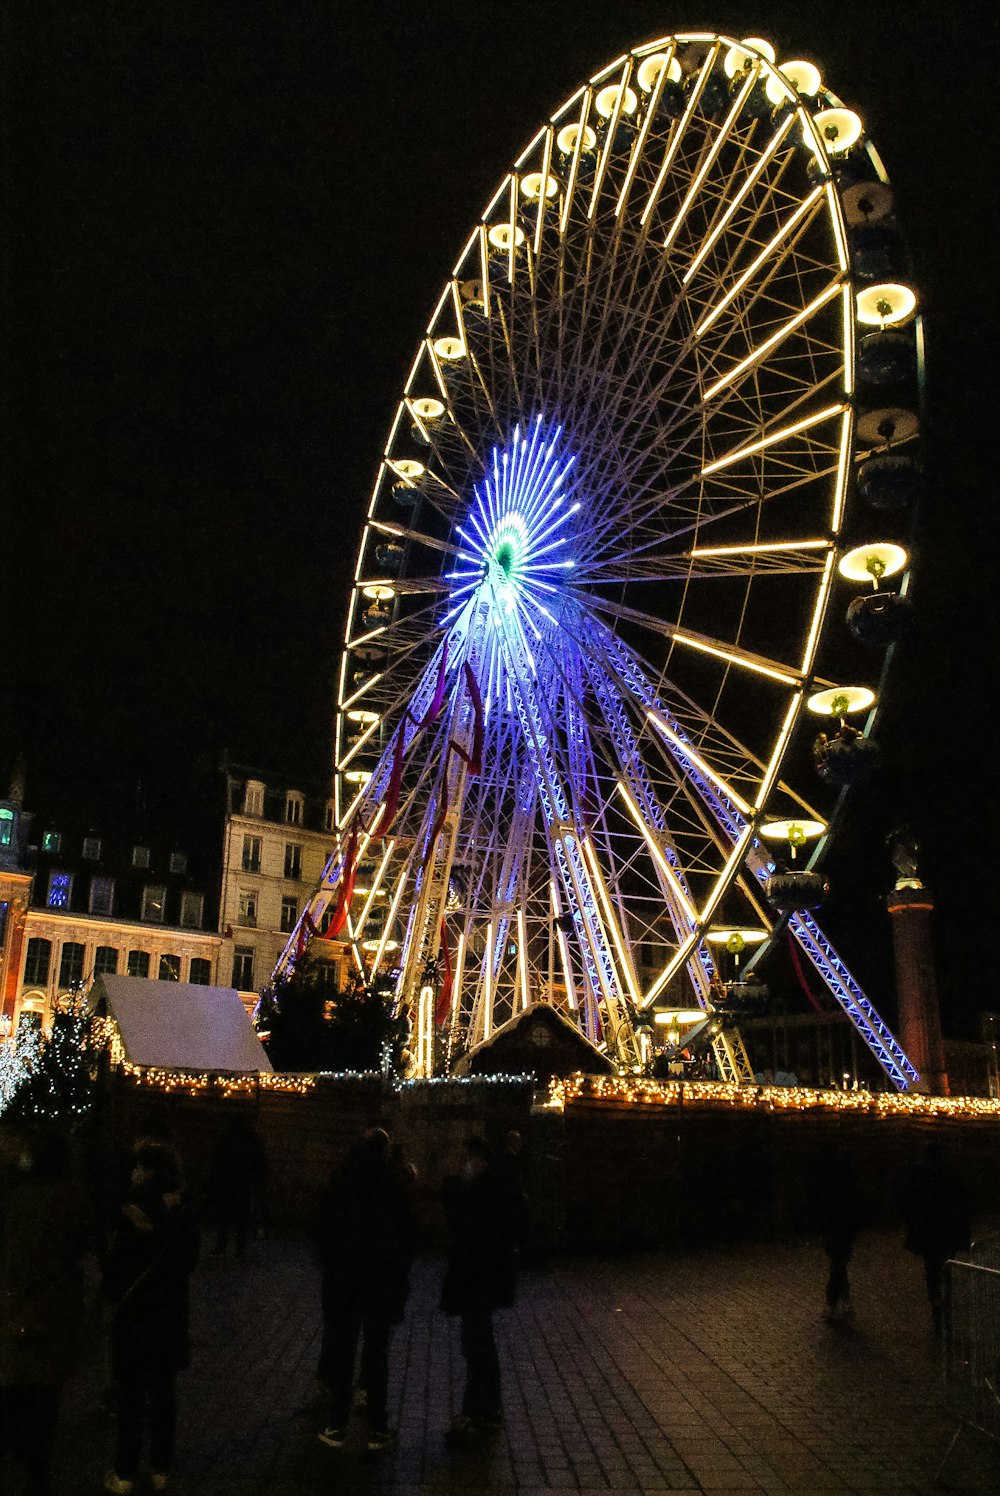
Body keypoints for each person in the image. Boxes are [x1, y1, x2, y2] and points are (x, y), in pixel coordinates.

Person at [0, 1130, 96, 1496]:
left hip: (17, 1301)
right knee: (47, 1390)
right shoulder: (74, 1199)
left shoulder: (19, 1197)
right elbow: (87, 1249)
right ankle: (37, 1469)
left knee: (17, 1380)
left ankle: (15, 1447)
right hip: (57, 1306)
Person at [102, 1141, 200, 1494]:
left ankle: (125, 1471)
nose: (132, 1173)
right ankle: (161, 1468)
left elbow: (115, 1272)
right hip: (170, 1312)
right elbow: (189, 1260)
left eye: (138, 1167)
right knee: (163, 1393)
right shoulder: (183, 1213)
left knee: (130, 1395)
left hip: (135, 1315)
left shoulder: (132, 1214)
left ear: (148, 1173)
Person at [313, 1126, 417, 1453]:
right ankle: (376, 1427)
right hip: (378, 1284)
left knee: (343, 1351)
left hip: (343, 1282)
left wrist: (332, 1265)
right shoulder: (391, 1186)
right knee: (376, 1355)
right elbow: (406, 1239)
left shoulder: (341, 1184)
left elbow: (319, 1231)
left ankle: (336, 1424)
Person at [441, 1135, 519, 1444]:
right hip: (484, 1282)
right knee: (482, 1344)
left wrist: (456, 1184)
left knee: (476, 1346)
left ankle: (475, 1412)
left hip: (477, 1281)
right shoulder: (496, 1189)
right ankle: (489, 1408)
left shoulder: (483, 1192)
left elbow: (462, 1219)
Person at [902, 1140, 972, 1331]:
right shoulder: (951, 1173)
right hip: (948, 1230)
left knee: (932, 1268)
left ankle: (936, 1303)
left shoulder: (918, 1173)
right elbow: (963, 1200)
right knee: (946, 1266)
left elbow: (907, 1197)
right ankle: (944, 1301)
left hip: (928, 1230)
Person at [810, 1140, 865, 1322]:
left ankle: (834, 1302)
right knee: (839, 1263)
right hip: (843, 1226)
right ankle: (844, 1301)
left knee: (838, 1264)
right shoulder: (846, 1180)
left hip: (835, 1225)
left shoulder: (827, 1181)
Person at [209, 1115, 267, 1258]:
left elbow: (218, 1161)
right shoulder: (253, 1141)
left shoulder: (227, 1139)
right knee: (242, 1217)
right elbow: (260, 1163)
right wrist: (258, 1182)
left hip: (227, 1181)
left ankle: (221, 1248)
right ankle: (239, 1250)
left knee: (224, 1216)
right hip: (244, 1183)